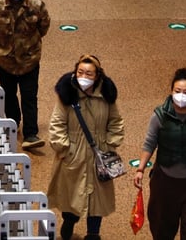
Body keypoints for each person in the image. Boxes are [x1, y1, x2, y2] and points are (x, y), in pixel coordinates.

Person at [48, 54, 124, 240]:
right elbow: (57, 125)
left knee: (96, 199)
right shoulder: (68, 96)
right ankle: (69, 223)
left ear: (97, 76)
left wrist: (110, 144)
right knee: (72, 195)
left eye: (89, 73)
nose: (84, 76)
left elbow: (116, 122)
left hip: (99, 154)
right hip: (75, 154)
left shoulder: (106, 97)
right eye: (80, 71)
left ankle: (93, 233)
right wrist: (66, 150)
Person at [135, 67, 186, 240]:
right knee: (162, 228)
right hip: (164, 183)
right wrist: (140, 168)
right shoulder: (160, 115)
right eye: (177, 91)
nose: (181, 95)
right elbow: (150, 143)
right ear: (171, 91)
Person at [0, 0, 50, 150]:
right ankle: (13, 124)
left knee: (29, 97)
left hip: (29, 61)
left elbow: (44, 27)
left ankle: (31, 133)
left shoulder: (36, 5)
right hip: (6, 60)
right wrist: (4, 45)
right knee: (9, 95)